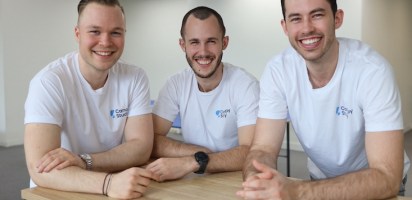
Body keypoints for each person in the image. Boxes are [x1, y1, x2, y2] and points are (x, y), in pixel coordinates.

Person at [237, 0, 410, 199]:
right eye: (295, 18)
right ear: (285, 27)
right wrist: (256, 181)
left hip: (375, 187)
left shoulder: (372, 71)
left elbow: (387, 177)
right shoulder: (278, 71)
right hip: (320, 182)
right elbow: (263, 148)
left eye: (317, 15)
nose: (307, 28)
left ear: (337, 19)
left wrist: (296, 191)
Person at [24, 0, 153, 199]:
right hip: (59, 189)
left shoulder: (135, 77)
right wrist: (108, 183)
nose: (105, 42)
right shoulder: (49, 82)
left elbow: (141, 148)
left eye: (116, 32)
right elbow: (40, 168)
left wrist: (85, 161)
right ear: (78, 34)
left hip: (115, 187)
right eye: (95, 31)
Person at [146, 6, 259, 182]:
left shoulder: (245, 86)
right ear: (183, 45)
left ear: (225, 43)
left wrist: (192, 162)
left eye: (211, 41)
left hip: (237, 179)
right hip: (193, 179)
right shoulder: (176, 84)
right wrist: (198, 154)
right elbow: (149, 140)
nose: (203, 51)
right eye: (194, 42)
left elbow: (252, 152)